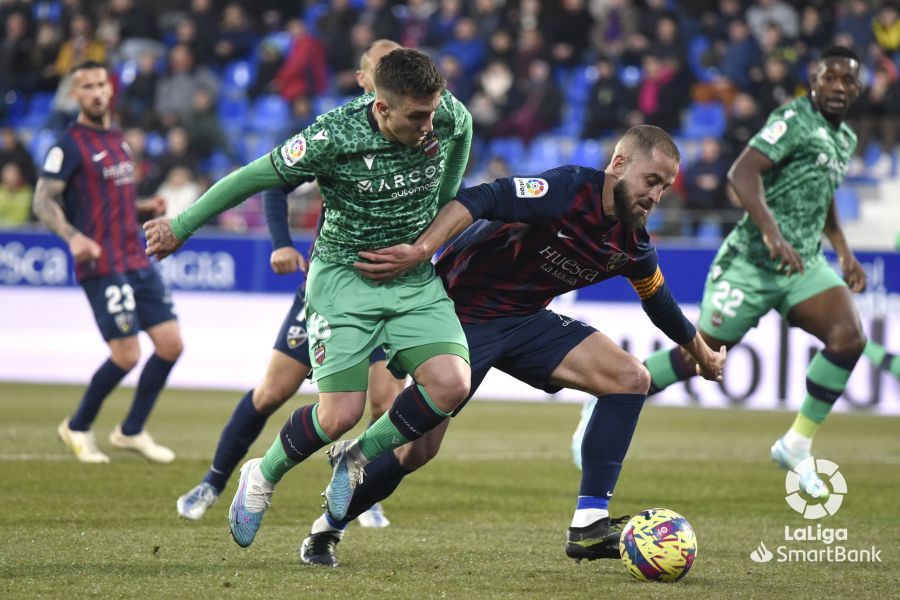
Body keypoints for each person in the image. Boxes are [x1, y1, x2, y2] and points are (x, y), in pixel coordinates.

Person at [299, 125, 726, 567]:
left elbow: (660, 303)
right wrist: (421, 250)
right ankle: (326, 528)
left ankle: (588, 523)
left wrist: (702, 352)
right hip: (458, 315)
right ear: (618, 166)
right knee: (416, 450)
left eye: (666, 187)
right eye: (650, 181)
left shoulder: (632, 244)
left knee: (630, 378)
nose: (656, 196)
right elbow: (483, 198)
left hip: (525, 320)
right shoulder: (564, 190)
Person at [144, 48, 473, 548]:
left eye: (433, 111)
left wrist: (430, 232)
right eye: (417, 116)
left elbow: (458, 153)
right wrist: (182, 226)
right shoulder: (332, 135)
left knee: (452, 384)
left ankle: (355, 456)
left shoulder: (447, 114)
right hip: (343, 278)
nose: (430, 125)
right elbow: (252, 178)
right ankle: (262, 473)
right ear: (381, 107)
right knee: (337, 413)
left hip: (410, 276)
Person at [175, 39, 407, 528]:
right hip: (331, 289)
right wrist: (282, 242)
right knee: (272, 393)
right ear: (364, 80)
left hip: (391, 290)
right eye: (382, 68)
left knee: (386, 401)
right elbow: (277, 181)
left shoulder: (420, 132)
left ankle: (358, 485)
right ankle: (215, 480)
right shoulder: (338, 132)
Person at [635, 46, 885, 497]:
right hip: (752, 259)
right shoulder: (793, 120)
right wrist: (770, 233)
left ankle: (796, 442)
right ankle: (616, 391)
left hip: (801, 264)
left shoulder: (844, 138)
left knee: (849, 337)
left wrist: (844, 252)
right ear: (815, 78)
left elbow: (822, 195)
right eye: (831, 77)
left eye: (848, 81)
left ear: (857, 90)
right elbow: (742, 172)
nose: (838, 88)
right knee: (701, 355)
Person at [33, 61, 183, 464]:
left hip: (136, 257)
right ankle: (77, 426)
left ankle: (130, 431)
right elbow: (42, 200)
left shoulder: (118, 139)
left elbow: (110, 202)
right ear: (74, 95)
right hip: (102, 263)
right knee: (126, 355)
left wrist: (143, 207)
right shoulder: (68, 144)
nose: (98, 92)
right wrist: (73, 237)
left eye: (102, 84)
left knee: (171, 345)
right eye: (88, 86)